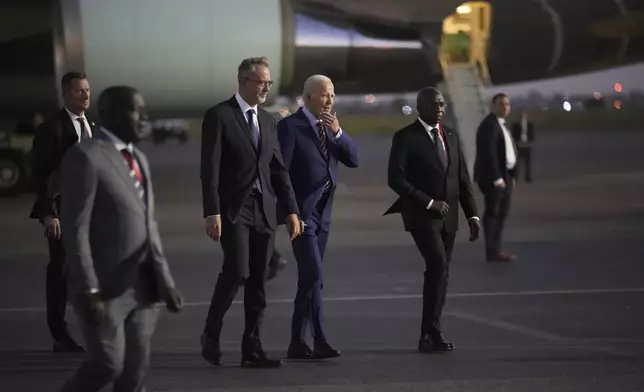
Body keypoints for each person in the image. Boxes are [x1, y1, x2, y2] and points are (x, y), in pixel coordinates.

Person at [58, 86, 183, 392]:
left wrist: (166, 281)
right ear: (110, 115)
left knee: (135, 371)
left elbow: (148, 226)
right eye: (135, 110)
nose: (144, 117)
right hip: (104, 288)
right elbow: (76, 228)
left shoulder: (139, 158)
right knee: (108, 364)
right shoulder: (86, 157)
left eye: (144, 109)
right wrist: (89, 287)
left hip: (142, 286)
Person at [200, 57, 302, 369]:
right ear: (244, 81)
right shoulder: (220, 115)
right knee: (237, 271)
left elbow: (279, 170)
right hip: (234, 208)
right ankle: (211, 334)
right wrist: (212, 211)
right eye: (261, 82)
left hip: (265, 209)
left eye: (268, 83)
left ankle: (252, 348)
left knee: (258, 279)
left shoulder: (269, 120)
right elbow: (210, 168)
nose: (266, 88)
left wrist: (292, 211)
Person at [385, 87, 480, 353]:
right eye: (433, 104)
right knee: (437, 265)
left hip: (449, 218)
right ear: (420, 108)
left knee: (441, 274)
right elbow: (395, 179)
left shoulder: (451, 135)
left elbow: (461, 179)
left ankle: (430, 332)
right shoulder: (405, 137)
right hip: (421, 215)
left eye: (442, 104)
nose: (439, 108)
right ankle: (431, 332)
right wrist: (428, 202)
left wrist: (472, 214)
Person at [277, 75, 359, 360]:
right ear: (309, 97)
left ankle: (297, 342)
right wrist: (290, 211)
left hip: (324, 216)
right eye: (325, 95)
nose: (330, 101)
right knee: (314, 274)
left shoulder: (330, 128)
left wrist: (337, 133)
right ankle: (319, 339)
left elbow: (353, 159)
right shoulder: (290, 127)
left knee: (310, 279)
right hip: (302, 215)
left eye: (333, 95)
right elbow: (281, 174)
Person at [28, 71, 94, 353]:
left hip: (88, 211)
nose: (86, 95)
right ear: (66, 94)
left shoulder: (89, 124)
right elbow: (41, 175)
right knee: (61, 271)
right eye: (80, 91)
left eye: (88, 90)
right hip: (62, 212)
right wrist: (48, 213)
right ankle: (60, 333)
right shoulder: (51, 129)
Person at [473, 93, 518, 262]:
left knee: (502, 212)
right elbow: (488, 154)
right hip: (494, 177)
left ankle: (496, 249)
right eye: (501, 104)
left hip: (504, 175)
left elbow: (507, 152)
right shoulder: (489, 126)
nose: (505, 107)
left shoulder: (501, 125)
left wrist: (511, 175)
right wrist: (497, 177)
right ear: (493, 106)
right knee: (493, 212)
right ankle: (492, 251)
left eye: (507, 104)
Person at [511, 109, 535, 183]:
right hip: (519, 146)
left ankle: (528, 177)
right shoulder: (515, 125)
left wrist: (531, 143)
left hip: (527, 145)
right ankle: (516, 177)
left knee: (528, 163)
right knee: (517, 163)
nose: (522, 117)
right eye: (521, 115)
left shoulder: (530, 124)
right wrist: (515, 143)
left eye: (524, 115)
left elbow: (532, 134)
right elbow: (513, 135)